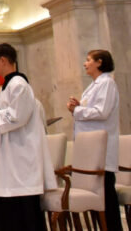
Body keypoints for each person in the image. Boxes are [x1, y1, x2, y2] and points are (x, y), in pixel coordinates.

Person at [0, 43, 53, 230]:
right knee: (11, 211)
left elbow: (18, 117)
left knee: (24, 211)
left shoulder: (19, 85)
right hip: (11, 156)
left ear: (4, 60)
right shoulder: (8, 86)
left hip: (21, 158)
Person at [67, 48, 121, 231]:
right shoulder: (95, 84)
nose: (85, 63)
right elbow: (92, 109)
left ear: (99, 62)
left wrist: (78, 110)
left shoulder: (107, 83)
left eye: (89, 59)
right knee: (96, 199)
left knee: (106, 198)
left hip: (102, 151)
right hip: (91, 152)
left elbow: (102, 112)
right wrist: (79, 106)